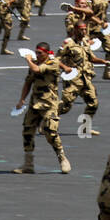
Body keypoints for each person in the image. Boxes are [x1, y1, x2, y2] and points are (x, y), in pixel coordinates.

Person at [12, 42, 69, 174]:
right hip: (35, 104)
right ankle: (28, 164)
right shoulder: (34, 64)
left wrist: (28, 59)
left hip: (49, 104)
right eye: (36, 52)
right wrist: (22, 100)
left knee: (50, 132)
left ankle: (62, 158)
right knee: (27, 131)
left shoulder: (52, 63)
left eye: (40, 53)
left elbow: (37, 70)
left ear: (47, 53)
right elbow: (28, 83)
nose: (37, 55)